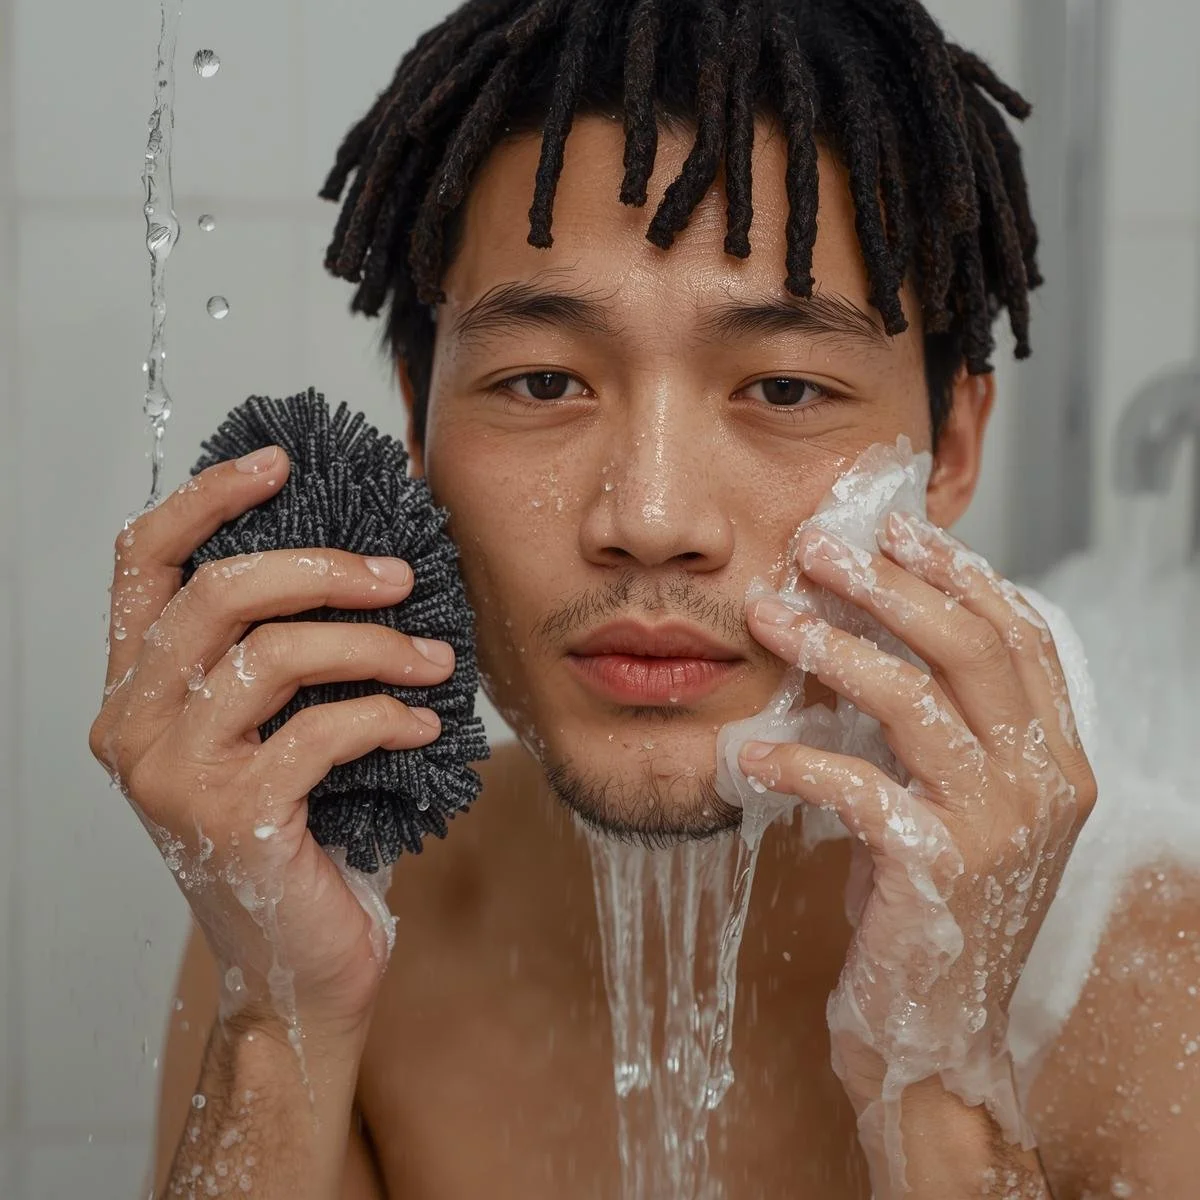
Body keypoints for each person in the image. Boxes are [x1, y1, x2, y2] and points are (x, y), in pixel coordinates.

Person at [89, 1, 1199, 1196]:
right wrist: (277, 1029)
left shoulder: (1143, 979)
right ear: (416, 421)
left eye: (782, 388)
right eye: (545, 379)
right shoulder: (321, 912)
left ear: (951, 446)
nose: (651, 518)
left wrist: (942, 1078)